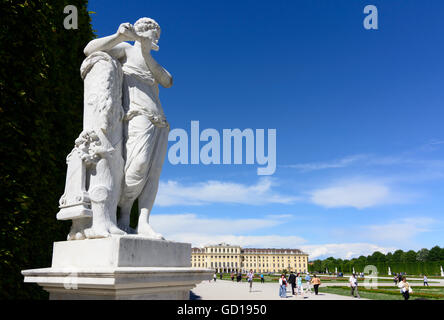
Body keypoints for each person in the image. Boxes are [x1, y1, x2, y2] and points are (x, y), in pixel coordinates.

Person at [84, 18, 173, 239]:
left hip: (159, 120)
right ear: (143, 32)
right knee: (137, 166)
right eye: (154, 35)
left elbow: (168, 80)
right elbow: (89, 50)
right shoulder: (125, 49)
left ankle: (143, 221)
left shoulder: (150, 60)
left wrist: (146, 52)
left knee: (153, 173)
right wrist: (119, 36)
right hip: (137, 115)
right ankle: (123, 214)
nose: (156, 40)